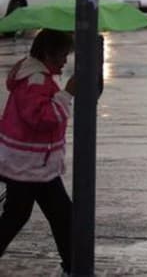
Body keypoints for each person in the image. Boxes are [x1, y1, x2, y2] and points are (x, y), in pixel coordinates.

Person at [0, 29, 76, 276]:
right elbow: (42, 118)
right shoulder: (35, 80)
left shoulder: (36, 76)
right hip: (28, 166)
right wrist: (67, 94)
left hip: (33, 165)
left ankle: (73, 265)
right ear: (48, 53)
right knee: (28, 215)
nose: (65, 61)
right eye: (63, 55)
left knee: (57, 215)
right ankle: (74, 266)